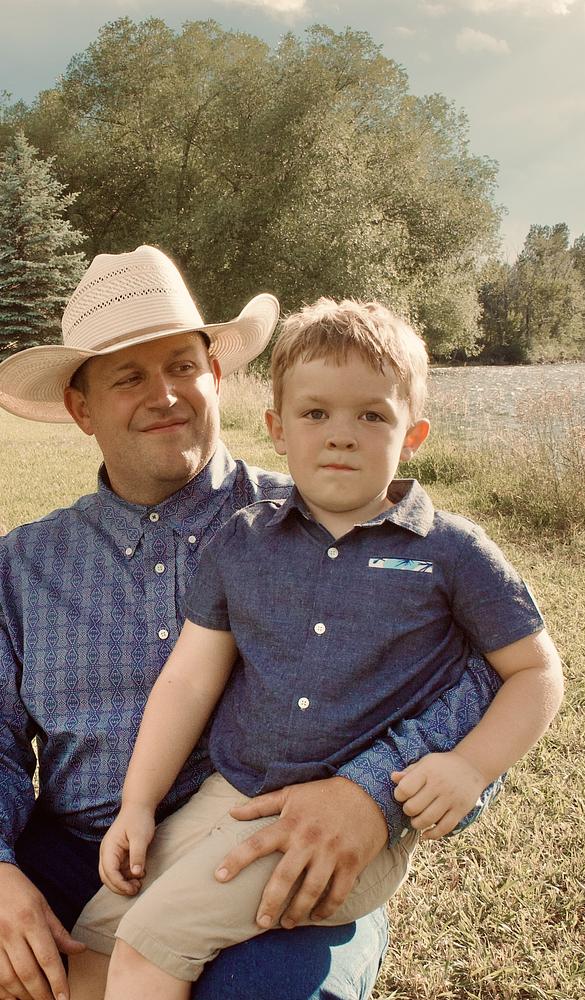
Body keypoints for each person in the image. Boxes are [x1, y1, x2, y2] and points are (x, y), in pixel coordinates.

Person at [0, 246, 504, 1000]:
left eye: (182, 366)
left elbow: (489, 678)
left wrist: (371, 795)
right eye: (128, 377)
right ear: (82, 409)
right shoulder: (22, 565)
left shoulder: (334, 517)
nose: (164, 394)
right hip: (82, 854)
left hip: (283, 848)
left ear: (215, 374)